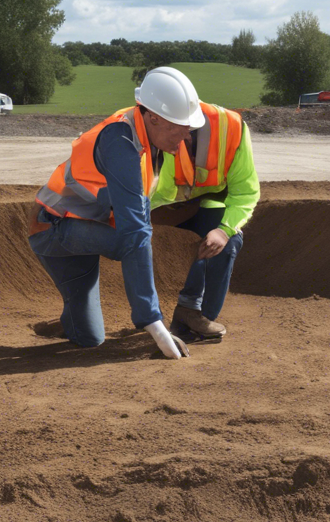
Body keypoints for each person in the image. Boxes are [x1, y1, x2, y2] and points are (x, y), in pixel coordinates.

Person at [27, 66, 202, 360]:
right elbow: (134, 233)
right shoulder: (120, 142)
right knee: (132, 241)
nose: (186, 135)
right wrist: (154, 324)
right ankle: (119, 316)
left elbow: (140, 212)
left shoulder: (148, 139)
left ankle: (71, 318)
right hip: (54, 229)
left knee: (90, 336)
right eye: (179, 125)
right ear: (153, 117)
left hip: (86, 230)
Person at [149, 99, 258, 339]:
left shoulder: (231, 129)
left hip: (201, 205)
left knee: (226, 243)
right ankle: (149, 314)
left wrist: (223, 230)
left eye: (185, 133)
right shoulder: (141, 125)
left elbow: (246, 193)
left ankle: (192, 314)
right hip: (151, 207)